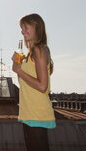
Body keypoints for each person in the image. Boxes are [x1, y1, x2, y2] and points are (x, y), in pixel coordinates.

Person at [11, 13, 56, 151]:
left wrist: (19, 71)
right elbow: (26, 85)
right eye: (21, 28)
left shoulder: (39, 49)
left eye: (25, 27)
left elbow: (42, 86)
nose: (22, 31)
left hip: (37, 114)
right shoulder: (30, 53)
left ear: (36, 27)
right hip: (30, 114)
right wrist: (16, 67)